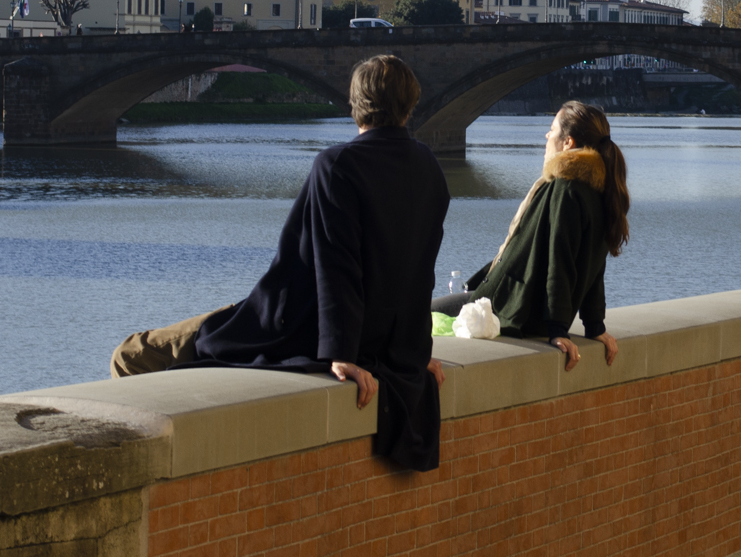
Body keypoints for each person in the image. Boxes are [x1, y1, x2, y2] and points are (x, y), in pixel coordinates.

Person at [107, 54, 451, 470]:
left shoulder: (338, 165)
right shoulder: (428, 167)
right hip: (383, 345)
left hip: (293, 327)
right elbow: (419, 270)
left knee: (131, 355)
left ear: (356, 104)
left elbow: (336, 265)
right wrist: (412, 351)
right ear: (410, 105)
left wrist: (341, 353)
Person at [434, 101, 628, 372]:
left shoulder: (565, 189)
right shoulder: (598, 191)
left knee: (425, 314)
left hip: (510, 310)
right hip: (522, 308)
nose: (547, 136)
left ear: (568, 143)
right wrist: (595, 325)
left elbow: (560, 262)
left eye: (552, 130)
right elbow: (592, 264)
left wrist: (557, 329)